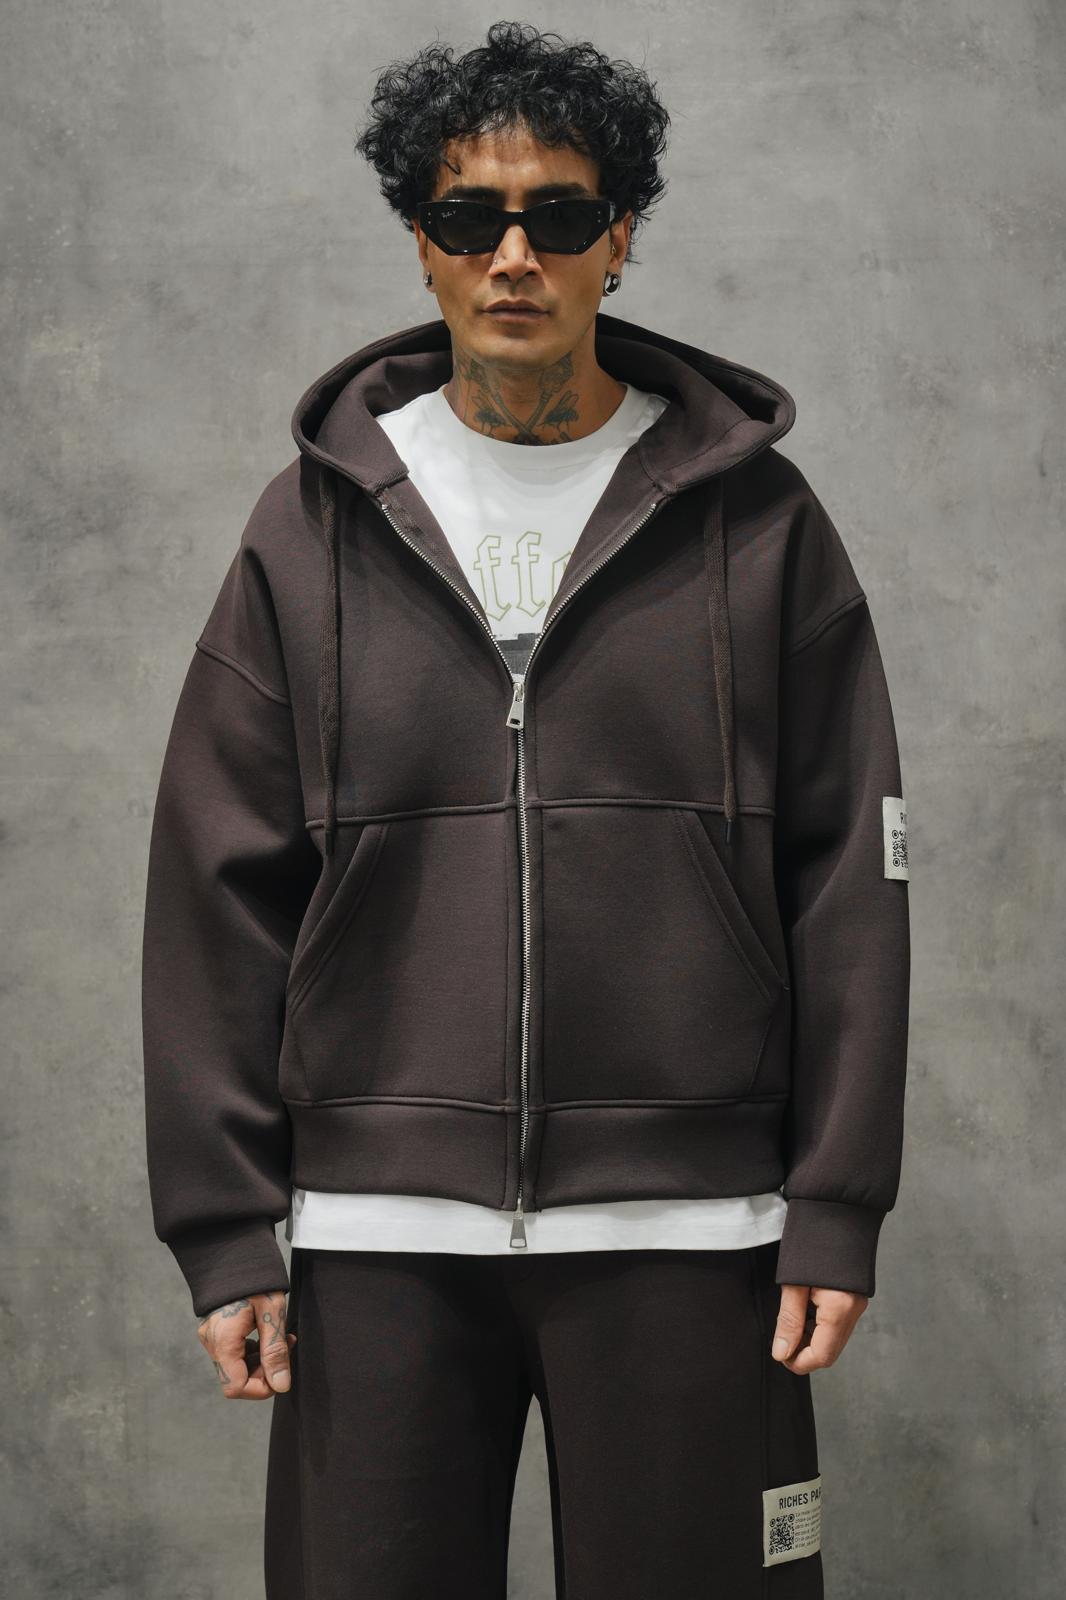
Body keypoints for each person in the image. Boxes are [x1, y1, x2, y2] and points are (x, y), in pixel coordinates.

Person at [140, 21, 910, 1599]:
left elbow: (849, 876)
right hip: (376, 1233)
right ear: (418, 239)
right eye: (467, 216)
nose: (512, 257)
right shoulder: (310, 528)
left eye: (558, 216)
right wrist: (225, 1226)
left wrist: (833, 1200)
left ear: (617, 238)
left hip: (693, 1227)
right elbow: (215, 883)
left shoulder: (755, 523)